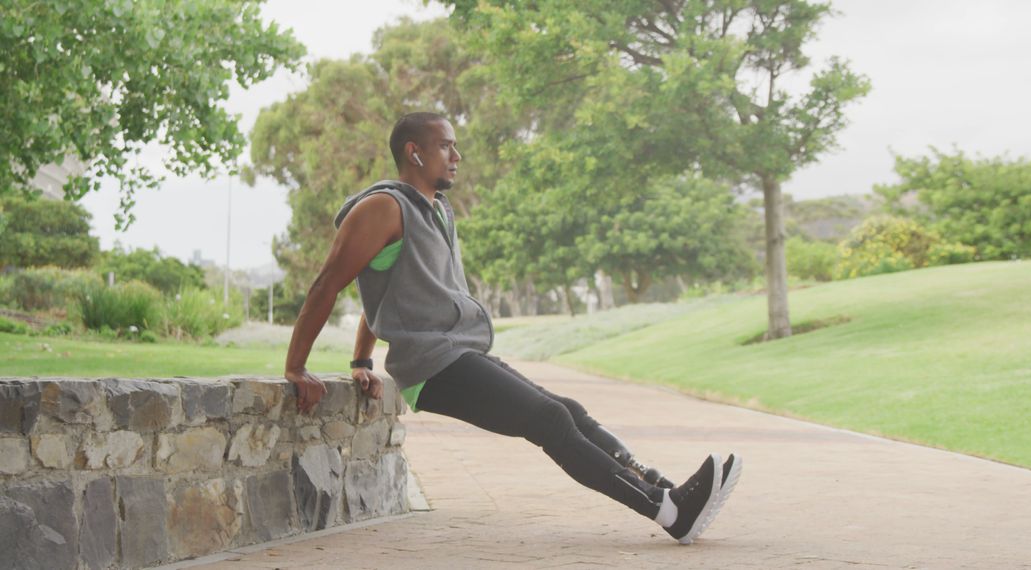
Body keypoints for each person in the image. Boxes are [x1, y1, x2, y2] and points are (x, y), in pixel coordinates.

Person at [283, 112, 741, 545]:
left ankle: (664, 488)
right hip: (432, 366)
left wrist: (361, 360)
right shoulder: (382, 208)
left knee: (569, 409)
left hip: (460, 354)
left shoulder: (436, 210)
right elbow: (329, 284)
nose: (457, 156)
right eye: (446, 146)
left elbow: (388, 288)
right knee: (550, 420)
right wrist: (297, 367)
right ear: (414, 153)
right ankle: (669, 513)